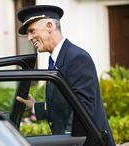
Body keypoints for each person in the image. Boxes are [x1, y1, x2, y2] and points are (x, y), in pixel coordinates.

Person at [16, 5, 115, 146]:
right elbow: (67, 104)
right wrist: (34, 106)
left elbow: (83, 110)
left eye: (32, 31)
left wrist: (68, 141)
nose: (29, 37)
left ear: (49, 26)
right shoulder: (56, 59)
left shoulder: (77, 58)